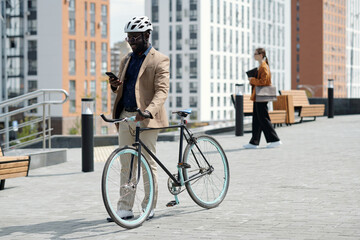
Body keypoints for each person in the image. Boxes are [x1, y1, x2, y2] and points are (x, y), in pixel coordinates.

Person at [108, 16, 170, 220]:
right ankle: (125, 208)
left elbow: (162, 91)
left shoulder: (159, 59)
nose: (131, 41)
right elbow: (126, 85)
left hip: (146, 118)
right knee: (127, 162)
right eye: (129, 38)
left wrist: (149, 111)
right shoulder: (127, 59)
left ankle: (149, 206)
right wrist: (115, 85)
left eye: (135, 37)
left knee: (147, 163)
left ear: (146, 35)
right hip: (126, 115)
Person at [243, 48, 282, 149]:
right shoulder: (261, 66)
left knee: (263, 118)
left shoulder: (264, 66)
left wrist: (252, 80)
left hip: (262, 96)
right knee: (257, 119)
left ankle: (275, 140)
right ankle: (254, 142)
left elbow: (264, 82)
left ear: (261, 55)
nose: (254, 55)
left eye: (255, 54)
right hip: (258, 96)